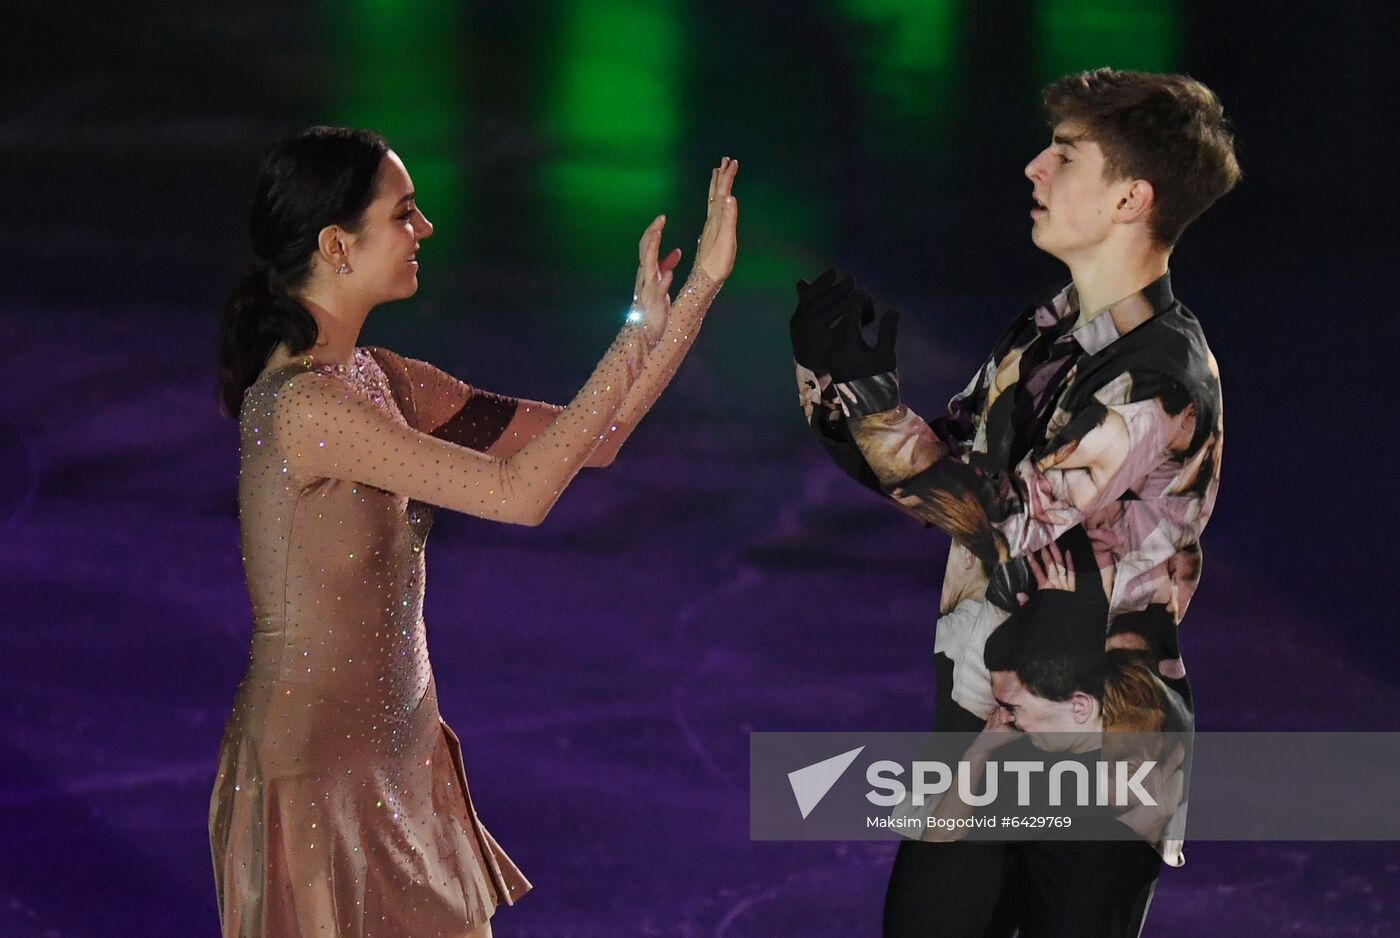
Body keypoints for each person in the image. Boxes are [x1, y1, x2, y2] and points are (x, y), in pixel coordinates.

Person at [208, 125, 739, 937]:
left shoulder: (382, 378)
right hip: (318, 781)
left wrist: (696, 291)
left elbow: (591, 443)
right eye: (404, 213)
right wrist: (635, 335)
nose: (424, 229)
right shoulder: (306, 409)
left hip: (405, 754)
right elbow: (519, 495)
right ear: (335, 246)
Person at [789, 68, 1238, 936]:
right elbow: (933, 478)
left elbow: (996, 517)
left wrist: (872, 402)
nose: (1034, 168)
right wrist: (830, 383)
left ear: (1129, 200)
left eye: (1065, 157)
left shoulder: (1159, 377)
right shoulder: (1050, 333)